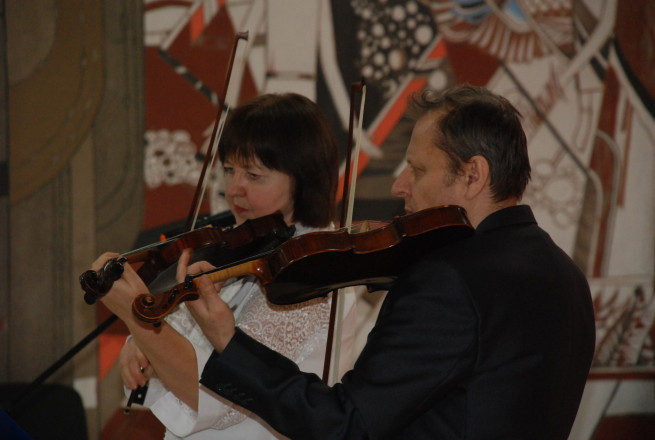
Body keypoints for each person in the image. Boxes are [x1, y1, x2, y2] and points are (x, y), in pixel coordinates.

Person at [181, 85, 596, 439]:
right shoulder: (568, 277)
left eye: (417, 169)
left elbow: (348, 425)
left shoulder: (447, 280)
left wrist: (229, 341)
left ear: (473, 175)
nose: (400, 186)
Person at [94, 93, 357, 439]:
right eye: (230, 170)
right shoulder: (242, 249)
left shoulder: (314, 276)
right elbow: (181, 343)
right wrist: (145, 341)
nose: (234, 189)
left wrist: (139, 320)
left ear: (304, 179)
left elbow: (215, 398)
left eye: (254, 175)